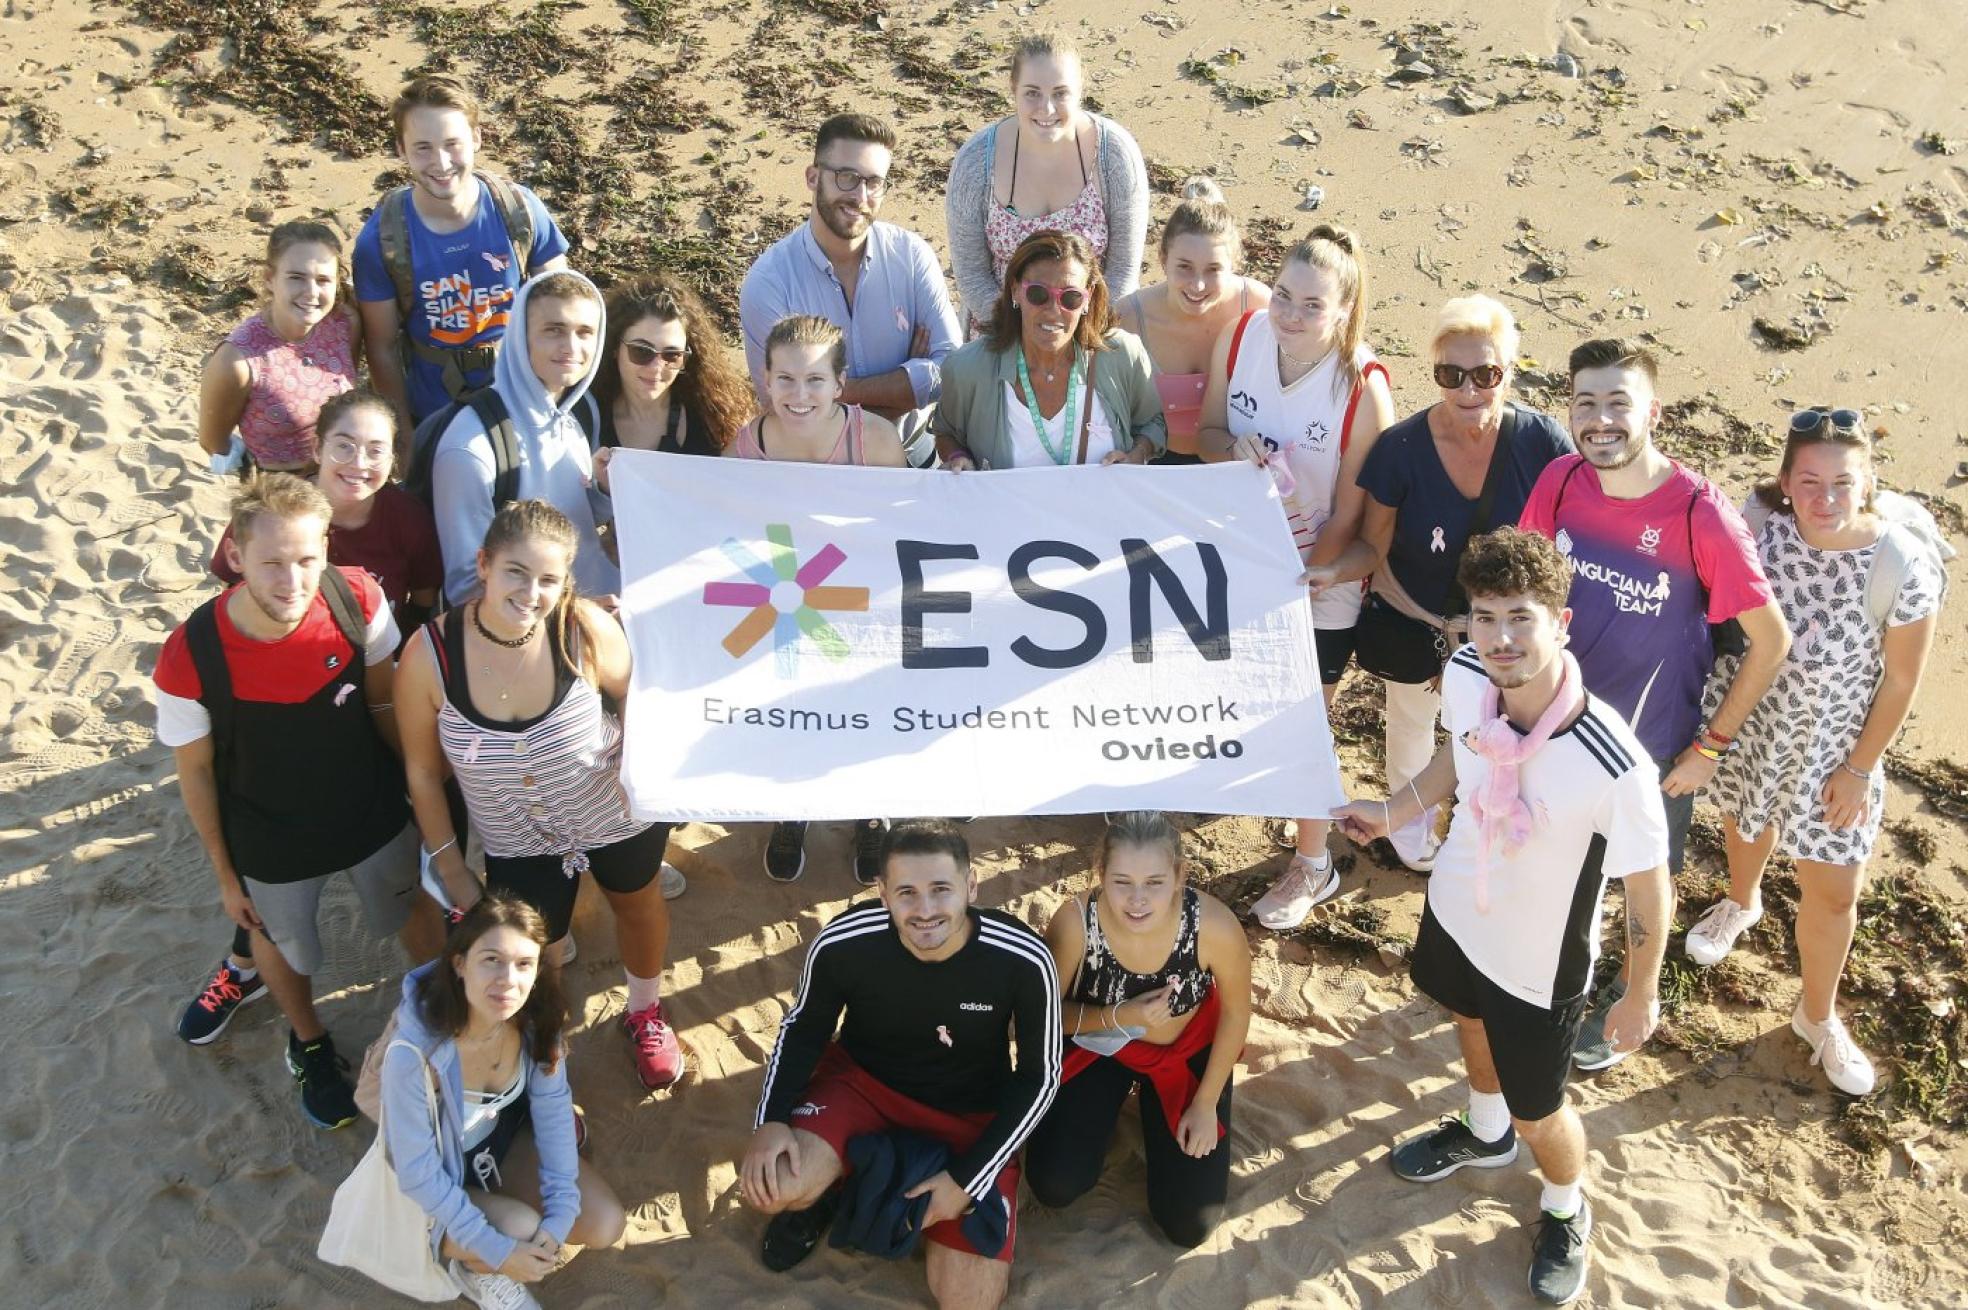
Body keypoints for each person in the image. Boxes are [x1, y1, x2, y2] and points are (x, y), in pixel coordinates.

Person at [1333, 527, 1672, 1307]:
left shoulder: (1612, 761)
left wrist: (1640, 991)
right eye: (1485, 616)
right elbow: (1462, 755)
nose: (1501, 638)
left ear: (1562, 623)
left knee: (1542, 1110)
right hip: (1457, 908)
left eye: (1521, 616)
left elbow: (1651, 892)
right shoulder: (1462, 673)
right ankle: (1483, 1135)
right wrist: (1393, 811)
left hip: (1538, 963)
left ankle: (1564, 1204)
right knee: (1465, 1019)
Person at [1516, 338, 1791, 1070]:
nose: (1600, 420)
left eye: (1618, 403)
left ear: (1652, 412)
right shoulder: (1561, 479)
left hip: (1650, 748)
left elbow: (1771, 642)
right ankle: (1549, 972)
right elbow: (1522, 587)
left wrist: (1710, 750)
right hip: (1556, 725)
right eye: (1585, 402)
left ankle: (1633, 994)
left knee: (1645, 878)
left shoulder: (1699, 512)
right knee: (1563, 862)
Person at [152, 475, 443, 1126]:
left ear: (327, 547)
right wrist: (229, 877)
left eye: (308, 559)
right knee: (281, 943)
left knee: (412, 908)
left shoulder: (358, 600)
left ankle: (446, 1009)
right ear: (235, 556)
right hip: (269, 831)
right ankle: (309, 1043)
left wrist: (421, 801)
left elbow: (382, 702)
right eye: (272, 563)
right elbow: (195, 775)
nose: (293, 581)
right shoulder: (189, 655)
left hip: (367, 806)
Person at [1684, 409, 1942, 1095]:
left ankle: (1816, 1016)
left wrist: (1859, 768)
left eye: (1841, 483)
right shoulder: (1761, 529)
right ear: (1785, 482)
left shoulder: (1900, 562)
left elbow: (1902, 679)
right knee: (1744, 821)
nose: (1825, 500)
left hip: (1836, 750)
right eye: (1809, 482)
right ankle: (1741, 902)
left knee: (1832, 894)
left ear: (1866, 483)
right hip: (1755, 720)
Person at [396, 499, 688, 1092]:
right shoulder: (429, 656)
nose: (532, 592)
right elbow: (424, 773)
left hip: (614, 812)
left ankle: (645, 1012)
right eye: (516, 573)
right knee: (539, 948)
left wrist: (646, 774)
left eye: (549, 579)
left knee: (638, 904)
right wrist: (452, 869)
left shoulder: (583, 628)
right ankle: (546, 1036)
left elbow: (636, 694)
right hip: (517, 839)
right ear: (483, 564)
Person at [739, 819, 1060, 1309]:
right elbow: (803, 1028)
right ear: (882, 891)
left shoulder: (1022, 957)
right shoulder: (845, 940)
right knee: (778, 1185)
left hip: (970, 1114)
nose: (925, 909)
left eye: (941, 889)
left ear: (971, 886)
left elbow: (1041, 1077)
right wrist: (772, 1120)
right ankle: (832, 1188)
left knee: (968, 1300)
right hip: (863, 1087)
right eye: (906, 892)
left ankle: (876, 1186)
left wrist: (966, 1182)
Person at [1323, 294, 1573, 873]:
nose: (1468, 390)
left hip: (1507, 630)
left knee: (1509, 729)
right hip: (1417, 617)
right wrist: (1329, 572)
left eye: (1486, 374)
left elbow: (1574, 529)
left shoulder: (1541, 443)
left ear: (1509, 372)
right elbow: (1373, 545)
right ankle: (1410, 828)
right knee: (1411, 723)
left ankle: (1491, 825)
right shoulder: (1400, 449)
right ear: (1434, 373)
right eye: (1450, 374)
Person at [1198, 225, 1395, 929]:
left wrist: (1303, 572)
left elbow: (1355, 512)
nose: (1289, 314)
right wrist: (1234, 450)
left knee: (1305, 721)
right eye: (1283, 294)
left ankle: (1315, 862)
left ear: (1342, 311)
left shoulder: (1361, 388)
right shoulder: (1243, 334)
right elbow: (1207, 434)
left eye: (1311, 305)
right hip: (1243, 564)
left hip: (1318, 582)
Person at [383, 894, 626, 1310]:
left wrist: (562, 1213)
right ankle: (473, 1270)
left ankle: (500, 1235)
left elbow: (552, 1118)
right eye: (491, 959)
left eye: (523, 964)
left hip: (499, 1146)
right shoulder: (414, 1053)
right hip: (431, 1180)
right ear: (460, 964)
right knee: (519, 1228)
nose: (507, 980)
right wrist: (494, 1249)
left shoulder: (536, 1022)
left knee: (604, 1223)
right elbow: (418, 1173)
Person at [1023, 812, 1252, 1248]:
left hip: (1186, 1053)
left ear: (1180, 874)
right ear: (1100, 874)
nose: (1137, 900)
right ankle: (1106, 1113)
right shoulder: (1075, 923)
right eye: (1122, 881)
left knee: (1189, 1226)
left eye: (1154, 882)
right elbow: (1042, 1017)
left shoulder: (1214, 927)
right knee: (1056, 1184)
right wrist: (1122, 1015)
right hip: (1103, 1048)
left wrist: (1205, 1104)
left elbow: (1236, 1014)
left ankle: (1163, 1110)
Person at [729, 315, 904, 883]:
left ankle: (868, 812)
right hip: (785, 606)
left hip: (860, 604)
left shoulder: (872, 438)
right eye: (785, 380)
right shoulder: (745, 447)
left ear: (840, 383)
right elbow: (724, 529)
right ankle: (792, 811)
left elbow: (901, 529)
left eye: (814, 380)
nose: (799, 396)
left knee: (865, 711)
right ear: (766, 378)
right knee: (791, 711)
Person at [355, 73, 570, 437]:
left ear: (477, 138)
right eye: (422, 147)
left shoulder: (519, 210)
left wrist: (561, 403)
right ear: (400, 149)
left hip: (523, 399)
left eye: (452, 143)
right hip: (436, 414)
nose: (440, 162)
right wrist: (403, 437)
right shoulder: (381, 241)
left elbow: (566, 309)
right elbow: (382, 349)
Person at [739, 113, 961, 467]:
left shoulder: (911, 257)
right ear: (813, 178)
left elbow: (951, 373)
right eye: (847, 178)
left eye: (874, 182)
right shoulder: (769, 282)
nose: (860, 196)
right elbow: (786, 405)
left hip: (916, 450)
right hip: (819, 466)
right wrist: (906, 388)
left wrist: (827, 392)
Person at [430, 269, 615, 607]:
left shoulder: (580, 412)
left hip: (597, 622)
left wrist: (601, 492)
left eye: (585, 332)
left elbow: (575, 527)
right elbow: (467, 589)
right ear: (520, 336)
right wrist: (576, 616)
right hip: (531, 642)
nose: (571, 347)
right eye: (554, 330)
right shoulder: (473, 446)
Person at [945, 34, 1149, 334]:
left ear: (1080, 92)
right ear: (1013, 90)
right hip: (1000, 331)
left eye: (1060, 93)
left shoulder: (1114, 154)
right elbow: (973, 277)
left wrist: (1074, 336)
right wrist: (1025, 340)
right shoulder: (975, 161)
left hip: (1092, 330)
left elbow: (1123, 272)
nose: (1047, 108)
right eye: (1032, 93)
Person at [208, 389, 442, 634]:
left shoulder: (409, 519)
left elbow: (421, 604)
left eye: (376, 450)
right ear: (318, 448)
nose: (359, 463)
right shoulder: (269, 511)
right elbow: (232, 598)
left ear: (392, 458)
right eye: (344, 445)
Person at [931, 230, 1165, 470]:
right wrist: (957, 456)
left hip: (1100, 507)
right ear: (1015, 291)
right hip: (1004, 508)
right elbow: (946, 431)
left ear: (1088, 298)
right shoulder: (967, 368)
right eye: (1038, 294)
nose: (1054, 311)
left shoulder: (1122, 355)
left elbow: (1153, 422)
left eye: (1070, 297)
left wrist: (1137, 454)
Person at [1110, 177, 1269, 464]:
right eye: (1184, 267)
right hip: (1152, 462)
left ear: (1234, 265)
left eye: (1213, 269)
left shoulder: (1259, 307)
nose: (1197, 285)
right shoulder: (1128, 318)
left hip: (1238, 462)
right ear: (1163, 259)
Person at [197, 220, 359, 474]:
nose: (311, 292)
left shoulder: (344, 324)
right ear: (270, 279)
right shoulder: (238, 361)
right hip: (281, 496)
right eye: (297, 277)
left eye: (323, 280)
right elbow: (213, 442)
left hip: (343, 478)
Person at [590, 273, 751, 455]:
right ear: (613, 348)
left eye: (672, 355)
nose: (656, 368)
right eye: (641, 351)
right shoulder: (583, 417)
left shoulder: (715, 421)